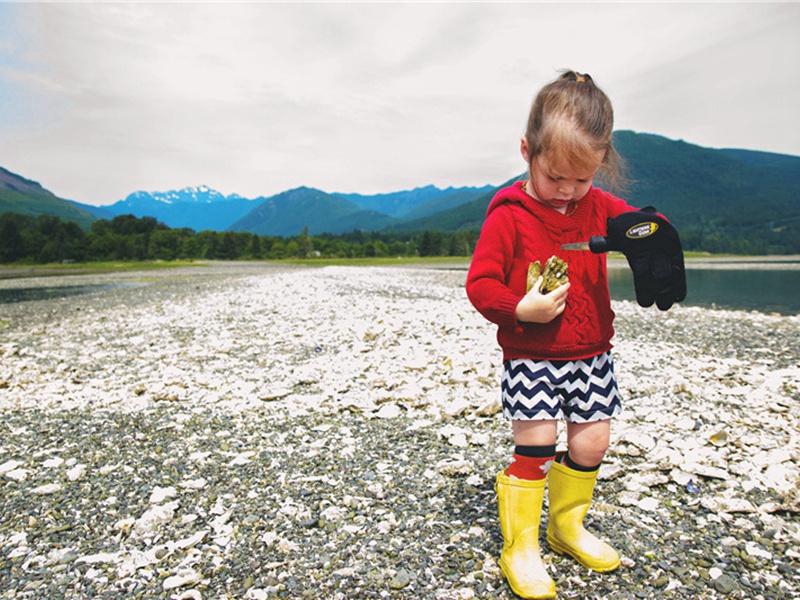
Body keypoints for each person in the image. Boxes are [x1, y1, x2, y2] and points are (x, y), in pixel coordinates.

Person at [466, 70, 683, 599]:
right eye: (555, 176)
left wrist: (656, 236)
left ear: (600, 164)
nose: (566, 191)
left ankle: (565, 528)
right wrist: (519, 308)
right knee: (537, 444)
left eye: (581, 179)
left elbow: (643, 226)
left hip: (592, 355)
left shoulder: (598, 205)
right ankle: (520, 546)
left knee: (593, 442)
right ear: (526, 151)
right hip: (532, 355)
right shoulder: (509, 215)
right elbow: (479, 284)